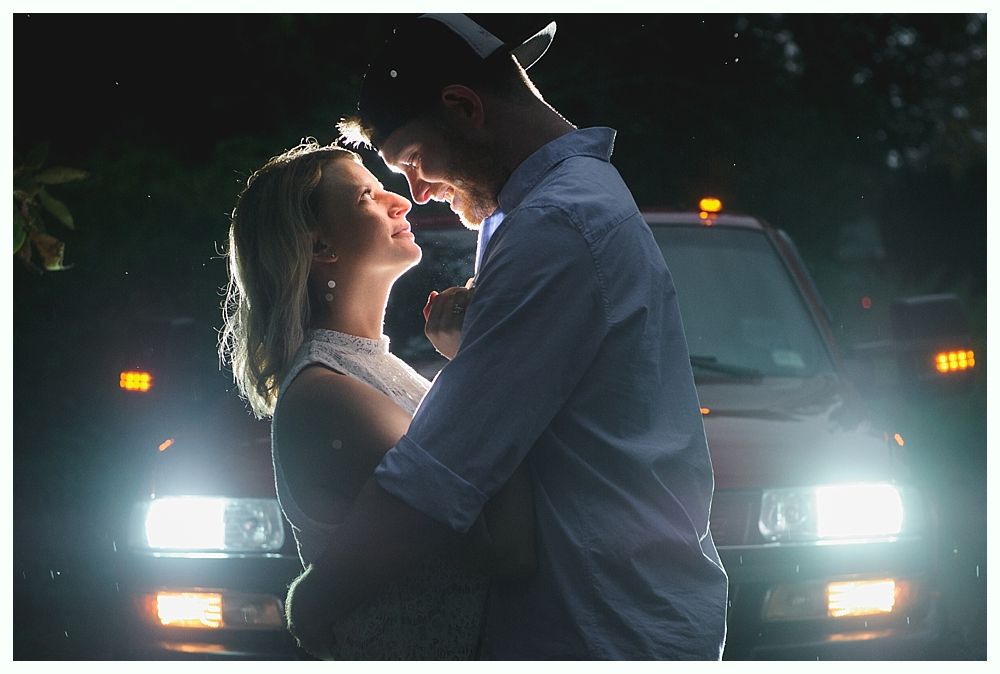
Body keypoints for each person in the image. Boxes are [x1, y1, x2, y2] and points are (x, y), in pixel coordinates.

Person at [286, 14, 729, 660]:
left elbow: (442, 468)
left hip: (601, 627)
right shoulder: (538, 212)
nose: (417, 193)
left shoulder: (555, 225)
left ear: (464, 108)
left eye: (411, 161)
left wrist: (315, 597)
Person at [219, 140, 534, 659]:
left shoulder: (376, 370)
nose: (402, 201)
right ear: (320, 247)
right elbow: (505, 546)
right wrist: (480, 360)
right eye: (367, 195)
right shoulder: (328, 394)